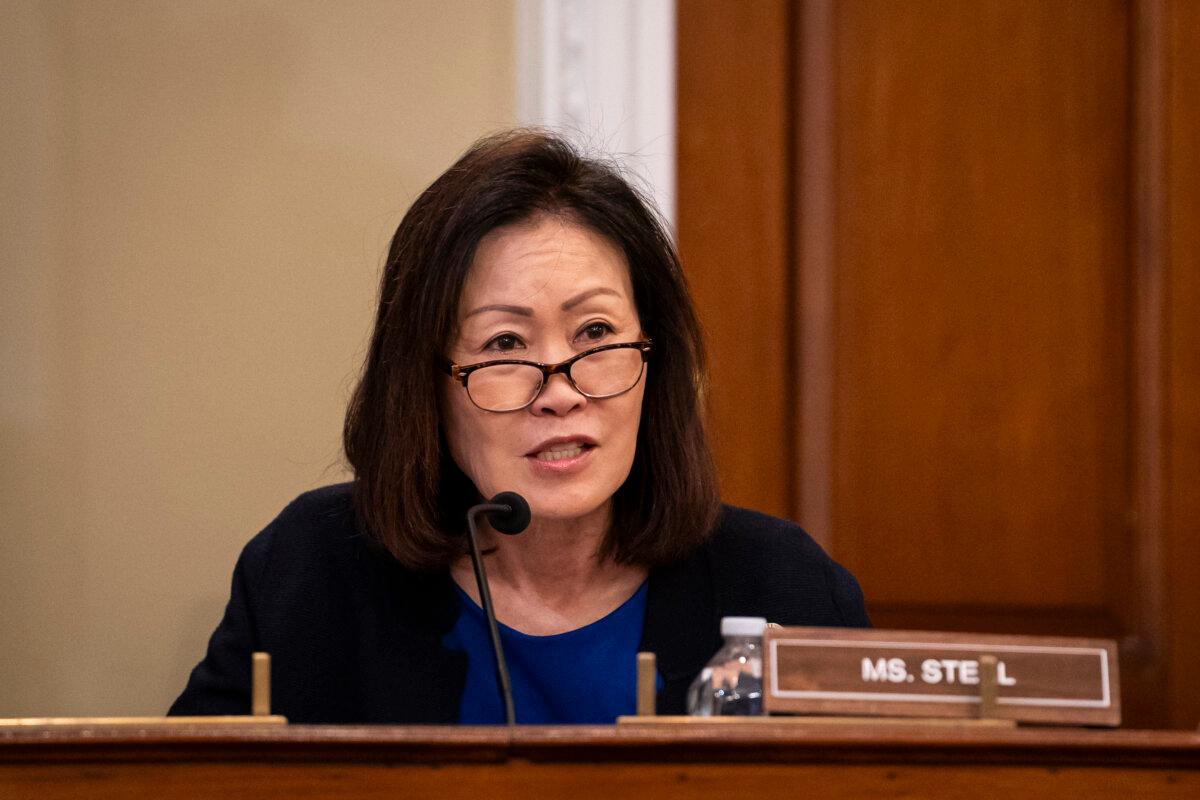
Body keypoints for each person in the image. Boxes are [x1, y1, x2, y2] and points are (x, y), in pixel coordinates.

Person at [169, 129, 869, 724]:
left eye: (596, 333)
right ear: (426, 385)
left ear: (654, 359)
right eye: (504, 345)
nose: (559, 392)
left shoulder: (782, 587)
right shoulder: (313, 574)